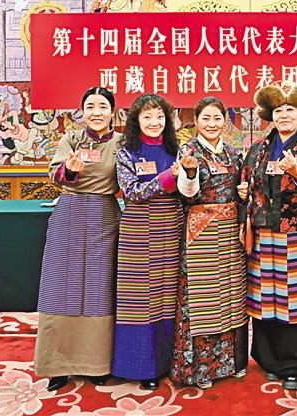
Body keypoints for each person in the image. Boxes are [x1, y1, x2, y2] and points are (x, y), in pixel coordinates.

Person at [239, 82, 297, 391]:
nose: (284, 115)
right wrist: (244, 191)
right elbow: (247, 180)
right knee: (267, 297)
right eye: (278, 110)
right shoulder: (258, 148)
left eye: (291, 109)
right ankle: (270, 360)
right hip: (265, 231)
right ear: (270, 115)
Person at [34, 87, 121, 392]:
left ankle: (97, 364)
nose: (96, 112)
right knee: (60, 288)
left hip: (105, 216)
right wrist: (68, 170)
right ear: (82, 111)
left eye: (102, 106)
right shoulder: (70, 139)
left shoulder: (122, 143)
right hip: (69, 213)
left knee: (99, 290)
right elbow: (54, 175)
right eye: (90, 106)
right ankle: (57, 366)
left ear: (113, 112)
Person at [170, 97, 248, 389]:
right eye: (206, 118)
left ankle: (232, 363)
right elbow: (187, 194)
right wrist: (190, 174)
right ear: (197, 121)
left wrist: (244, 193)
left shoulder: (234, 153)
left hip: (229, 232)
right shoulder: (188, 151)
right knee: (203, 298)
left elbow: (241, 189)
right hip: (201, 231)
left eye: (217, 118)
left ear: (225, 121)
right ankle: (201, 370)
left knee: (231, 295)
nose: (212, 124)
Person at [112, 94, 183, 390]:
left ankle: (168, 363)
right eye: (147, 117)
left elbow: (188, 189)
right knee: (139, 300)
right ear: (136, 120)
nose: (154, 122)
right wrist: (167, 178)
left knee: (168, 295)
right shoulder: (126, 153)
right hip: (138, 229)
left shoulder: (178, 150)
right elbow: (132, 192)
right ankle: (142, 366)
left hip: (172, 226)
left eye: (160, 117)